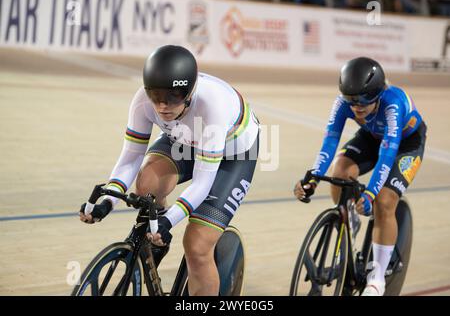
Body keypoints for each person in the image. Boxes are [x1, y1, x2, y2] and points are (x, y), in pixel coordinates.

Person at [79, 45, 260, 296]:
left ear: (189, 92)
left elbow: (202, 182)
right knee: (146, 185)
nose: (163, 106)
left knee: (196, 246)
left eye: (173, 96)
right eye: (155, 95)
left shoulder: (212, 106)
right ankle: (156, 245)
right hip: (186, 140)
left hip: (233, 156)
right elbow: (131, 157)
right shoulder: (142, 102)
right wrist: (108, 202)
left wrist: (168, 221)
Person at [293, 57, 427, 296]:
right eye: (351, 101)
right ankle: (350, 220)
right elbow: (330, 141)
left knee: (384, 202)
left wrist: (371, 192)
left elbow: (388, 154)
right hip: (372, 137)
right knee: (341, 171)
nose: (357, 107)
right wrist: (313, 176)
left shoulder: (392, 103)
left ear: (378, 93)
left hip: (405, 144)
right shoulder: (344, 102)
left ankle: (377, 279)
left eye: (364, 101)